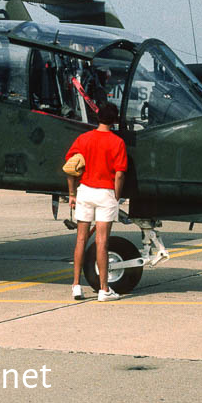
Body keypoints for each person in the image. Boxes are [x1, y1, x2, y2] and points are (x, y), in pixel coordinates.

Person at [64, 102, 128, 302]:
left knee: (81, 239)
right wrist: (117, 196)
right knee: (102, 242)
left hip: (85, 191)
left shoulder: (83, 139)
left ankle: (76, 286)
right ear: (115, 120)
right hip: (105, 193)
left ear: (98, 117)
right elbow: (119, 174)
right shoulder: (117, 142)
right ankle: (104, 289)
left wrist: (72, 193)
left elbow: (70, 166)